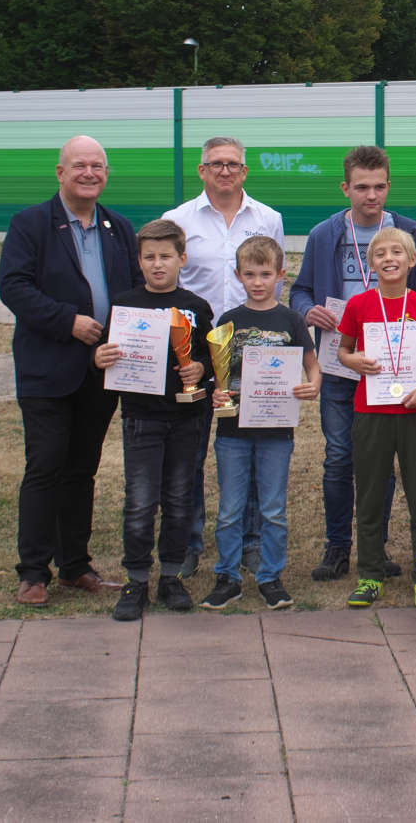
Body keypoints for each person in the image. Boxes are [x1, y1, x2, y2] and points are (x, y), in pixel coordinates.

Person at [0, 135, 139, 606]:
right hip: (47, 372)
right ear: (60, 173)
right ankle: (33, 572)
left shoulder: (119, 228)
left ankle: (75, 566)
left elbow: (133, 292)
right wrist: (68, 322)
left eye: (97, 165)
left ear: (106, 174)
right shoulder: (30, 224)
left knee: (82, 470)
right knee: (45, 467)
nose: (89, 173)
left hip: (100, 373)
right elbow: (13, 287)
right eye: (79, 165)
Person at [290, 145, 416, 583]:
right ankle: (338, 547)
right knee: (339, 458)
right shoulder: (324, 234)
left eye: (378, 187)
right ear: (345, 188)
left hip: (396, 368)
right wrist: (308, 310)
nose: (371, 196)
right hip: (341, 364)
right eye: (361, 188)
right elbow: (300, 289)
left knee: (382, 460)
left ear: (389, 186)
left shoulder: (411, 233)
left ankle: (378, 549)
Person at [163, 136, 286, 581]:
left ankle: (251, 543)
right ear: (202, 170)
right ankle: (188, 542)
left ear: (245, 171)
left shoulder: (268, 218)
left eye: (233, 163)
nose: (225, 170)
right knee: (189, 454)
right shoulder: (178, 220)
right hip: (194, 354)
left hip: (252, 355)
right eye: (216, 163)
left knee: (249, 453)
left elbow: (275, 281)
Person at [94, 219, 214, 621]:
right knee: (140, 502)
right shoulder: (124, 305)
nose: (158, 264)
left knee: (180, 500)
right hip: (141, 418)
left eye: (166, 256)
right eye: (149, 257)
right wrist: (100, 357)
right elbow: (104, 352)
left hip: (187, 417)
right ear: (139, 261)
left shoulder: (196, 307)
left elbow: (211, 356)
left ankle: (172, 577)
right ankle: (136, 580)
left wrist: (200, 368)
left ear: (183, 258)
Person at [199, 236, 321, 612]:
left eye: (265, 274)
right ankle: (227, 577)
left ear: (280, 275)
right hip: (232, 432)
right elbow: (218, 373)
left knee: (272, 509)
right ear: (238, 275)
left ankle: (270, 577)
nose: (257, 282)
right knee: (230, 509)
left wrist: (314, 384)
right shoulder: (229, 320)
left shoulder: (291, 320)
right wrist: (216, 393)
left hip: (276, 432)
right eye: (250, 274)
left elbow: (312, 363)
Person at [335, 227, 416, 612]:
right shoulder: (358, 305)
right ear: (371, 263)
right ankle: (370, 576)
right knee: (369, 496)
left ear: (412, 260)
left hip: (415, 412)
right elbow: (343, 351)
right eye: (380, 253)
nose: (389, 259)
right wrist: (353, 360)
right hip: (371, 413)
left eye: (397, 252)